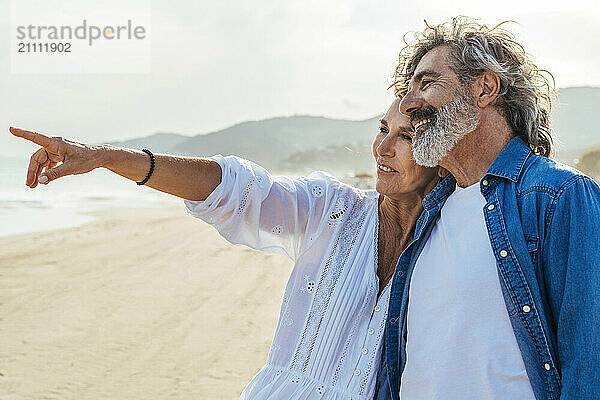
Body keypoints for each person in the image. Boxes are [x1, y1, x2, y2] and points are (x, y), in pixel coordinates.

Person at [10, 98, 441, 399]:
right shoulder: (334, 210)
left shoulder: (456, 248)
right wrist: (105, 157)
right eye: (383, 129)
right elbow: (237, 188)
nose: (382, 148)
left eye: (406, 136)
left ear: (442, 152)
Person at [374, 17, 600, 400]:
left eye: (426, 83)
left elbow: (589, 362)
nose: (408, 105)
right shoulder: (430, 209)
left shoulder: (558, 196)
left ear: (484, 87)